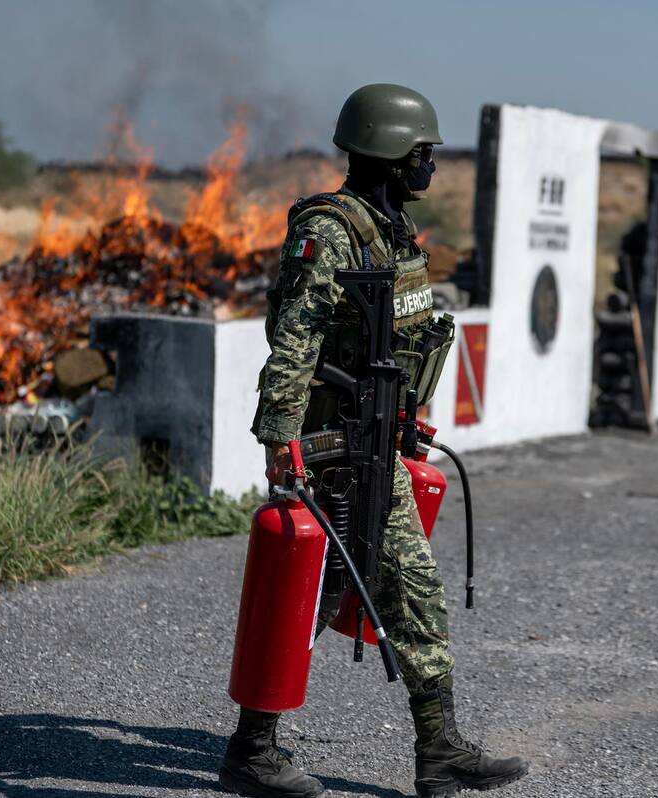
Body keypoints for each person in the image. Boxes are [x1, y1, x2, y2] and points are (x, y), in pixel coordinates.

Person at [218, 84, 530, 798]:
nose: (431, 166)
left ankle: (258, 744)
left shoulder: (388, 231)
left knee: (330, 588)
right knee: (394, 586)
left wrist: (410, 414)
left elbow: (398, 336)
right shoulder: (332, 230)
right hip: (337, 444)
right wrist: (281, 439)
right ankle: (425, 748)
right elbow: (295, 337)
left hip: (377, 435)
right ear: (393, 154)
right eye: (424, 153)